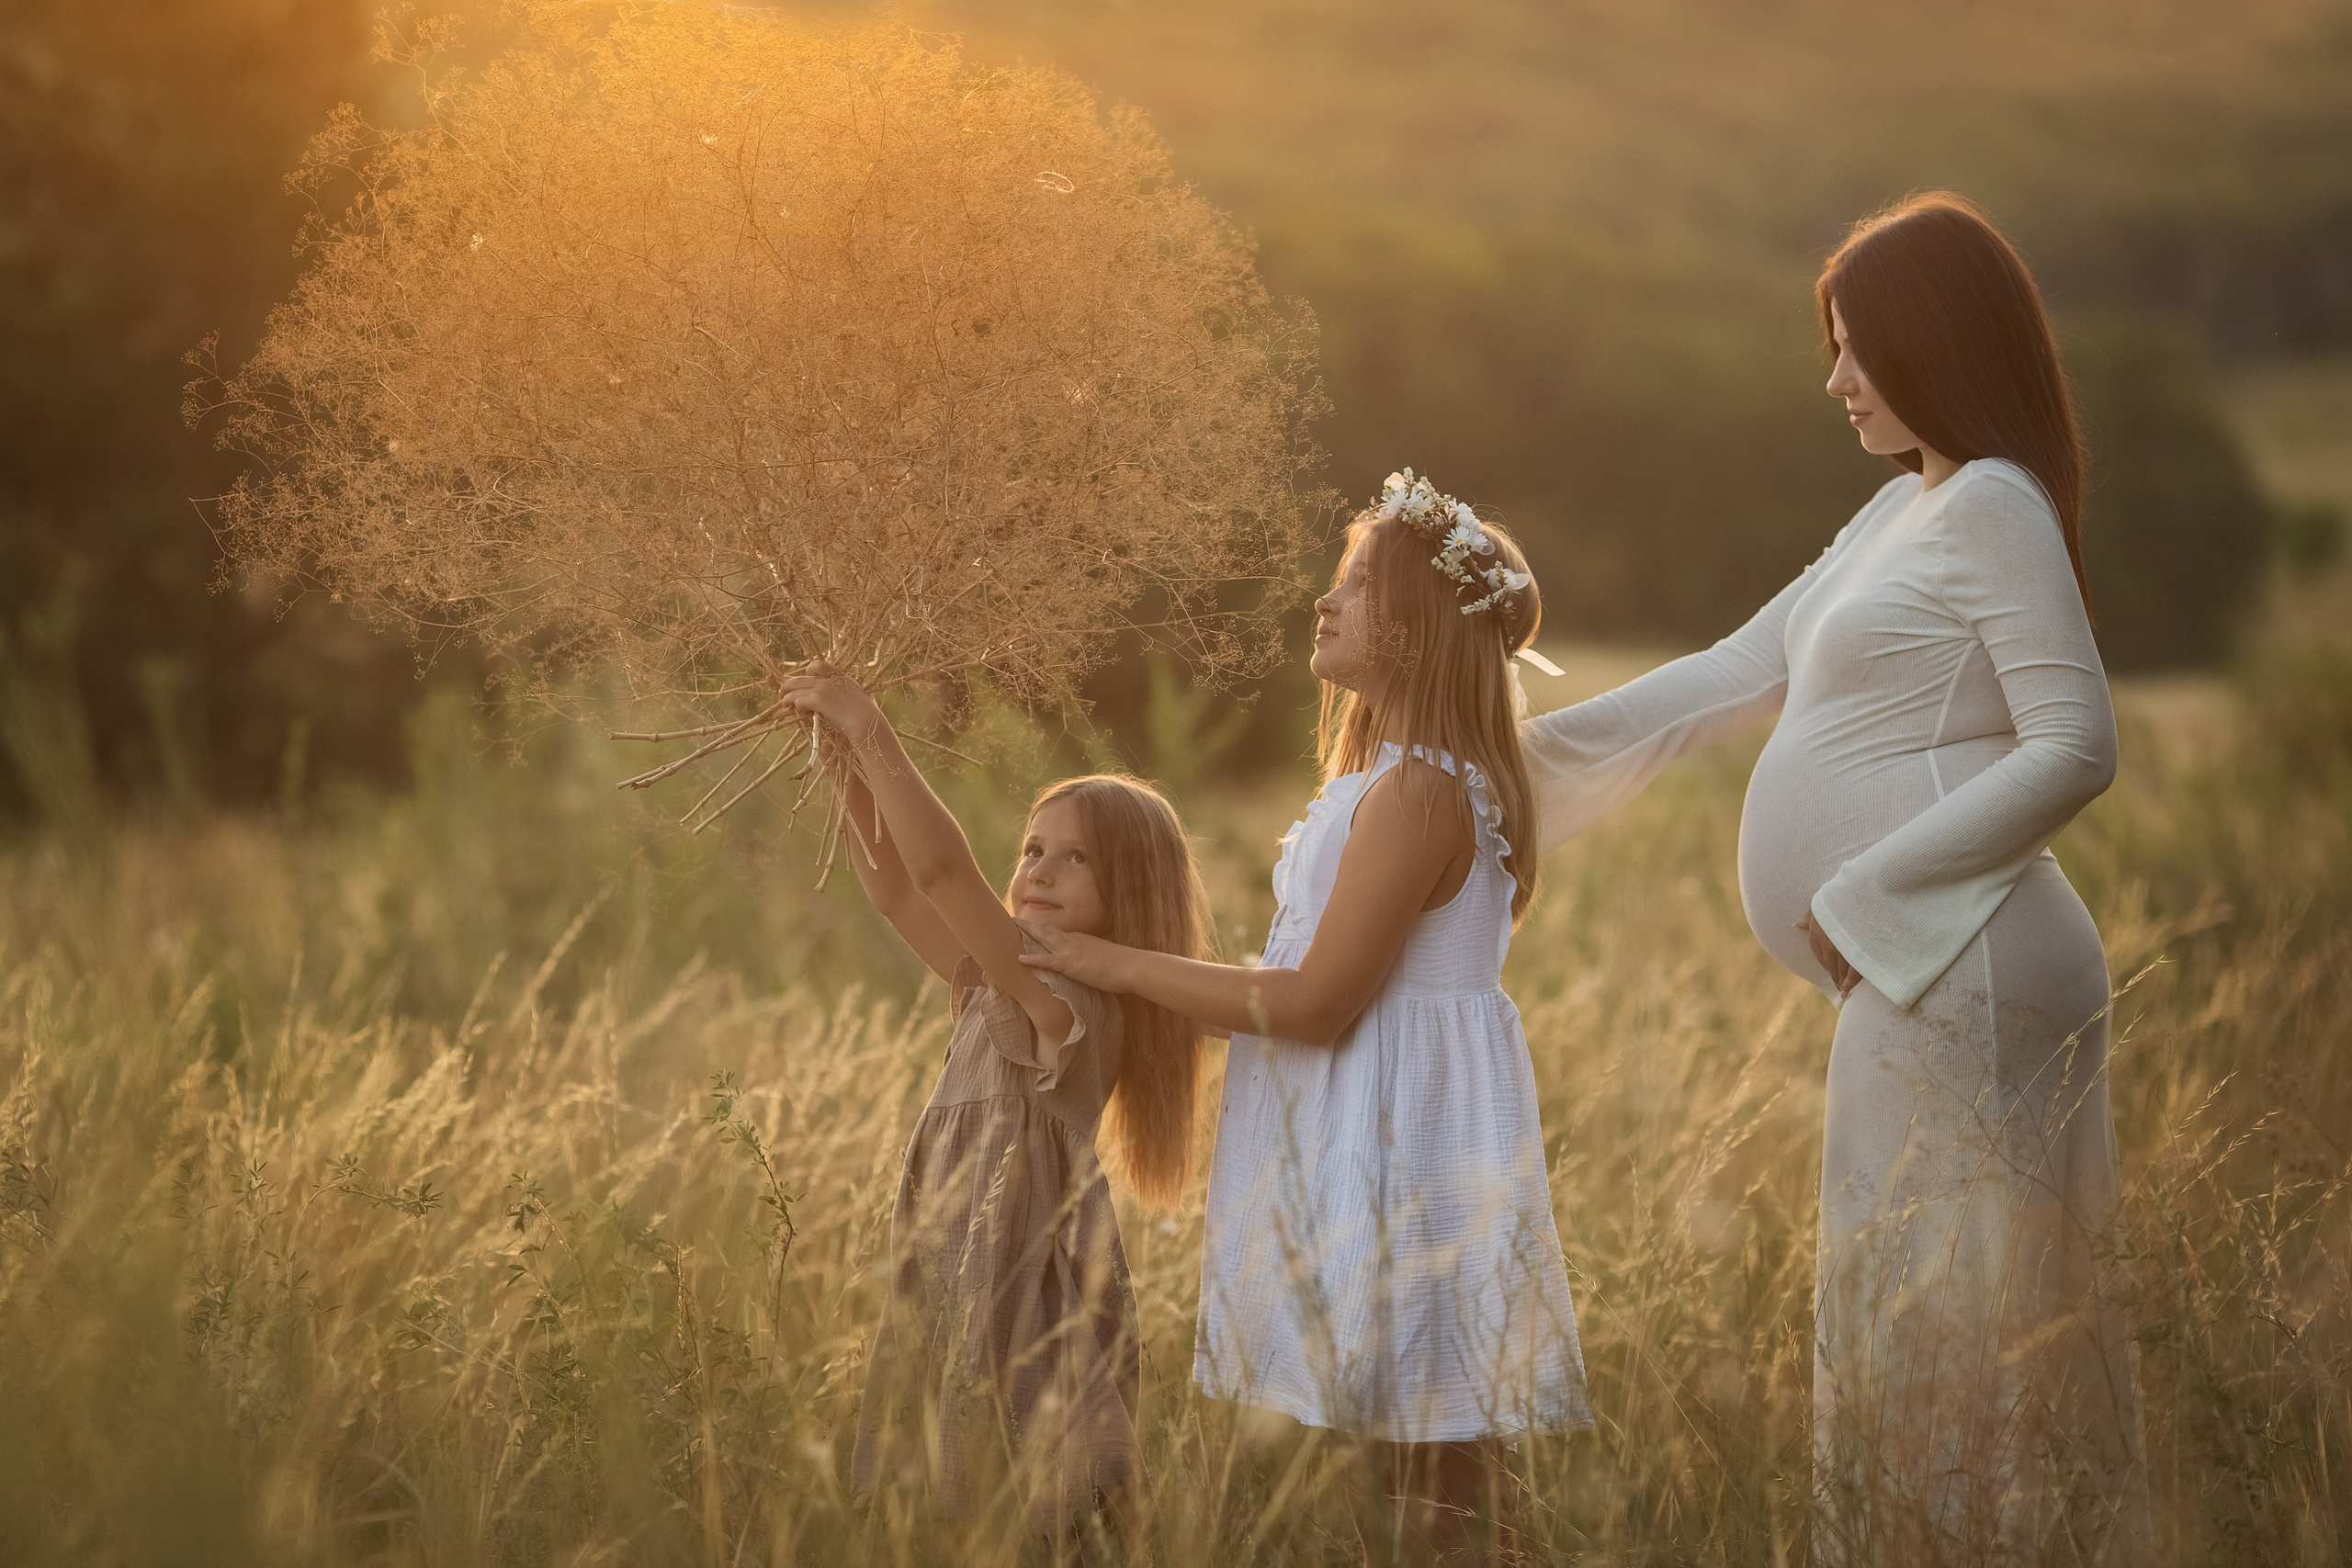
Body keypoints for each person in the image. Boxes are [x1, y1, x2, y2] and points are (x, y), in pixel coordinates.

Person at [1521, 192, 2150, 1564]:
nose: (1837, 379)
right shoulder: (1901, 505)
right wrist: (1498, 756)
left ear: (1939, 345)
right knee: (1923, 1332)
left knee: (1940, 1339)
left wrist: (1867, 897)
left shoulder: (1992, 502)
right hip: (1928, 969)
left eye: (1862, 347)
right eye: (1834, 345)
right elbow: (1737, 673)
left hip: (1960, 959)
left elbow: (2079, 743)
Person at [1023, 470, 1590, 1563]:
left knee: (1431, 1468)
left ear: (1421, 630)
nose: (1325, 605)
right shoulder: (1381, 783)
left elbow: (1317, 1006)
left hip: (1396, 1145)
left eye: (1359, 587)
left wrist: (1114, 960)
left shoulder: (1422, 792)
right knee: (1379, 1466)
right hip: (1347, 1128)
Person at [774, 666, 1212, 1543]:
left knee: (1042, 1500)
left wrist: (871, 728)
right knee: (965, 1496)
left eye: (1076, 857)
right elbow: (899, 888)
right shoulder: (999, 986)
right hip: (963, 1269)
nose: (1040, 871)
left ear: (1132, 894)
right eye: (1032, 849)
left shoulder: (1072, 1001)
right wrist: (843, 768)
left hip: (1028, 1295)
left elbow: (940, 872)